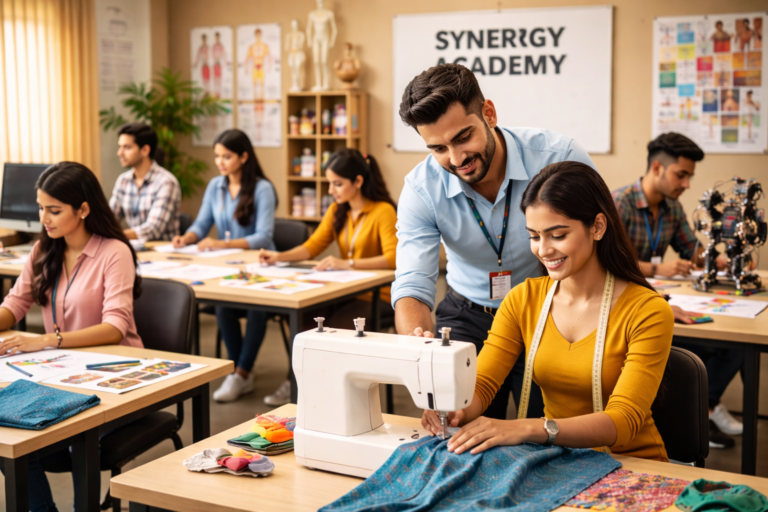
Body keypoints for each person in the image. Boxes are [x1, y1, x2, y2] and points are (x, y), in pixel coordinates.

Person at [422, 162, 674, 462]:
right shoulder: (523, 299)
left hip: (633, 466)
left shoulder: (647, 310)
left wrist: (528, 428)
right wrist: (454, 409)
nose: (543, 250)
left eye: (557, 235)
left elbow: (623, 420)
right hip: (560, 460)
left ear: (597, 227)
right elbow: (484, 384)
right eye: (534, 236)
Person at [393, 63, 596, 421]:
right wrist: (420, 348)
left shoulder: (560, 157)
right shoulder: (422, 189)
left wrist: (635, 302)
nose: (456, 160)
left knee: (545, 429)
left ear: (489, 113)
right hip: (468, 313)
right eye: (438, 148)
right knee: (457, 426)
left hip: (549, 310)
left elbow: (600, 245)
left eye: (462, 138)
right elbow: (412, 284)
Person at [0, 161, 143, 512]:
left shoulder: (114, 252)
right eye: (40, 208)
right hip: (59, 374)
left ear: (82, 209)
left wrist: (48, 339)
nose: (43, 218)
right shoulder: (44, 249)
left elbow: (115, 328)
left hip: (115, 376)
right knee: (10, 438)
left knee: (76, 437)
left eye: (53, 210)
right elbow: (15, 304)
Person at [613, 132, 742, 449]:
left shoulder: (672, 208)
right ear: (657, 168)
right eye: (681, 175)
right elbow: (611, 262)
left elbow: (693, 251)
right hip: (629, 302)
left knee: (735, 345)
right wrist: (658, 268)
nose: (686, 184)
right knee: (695, 347)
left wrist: (729, 262)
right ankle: (694, 418)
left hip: (664, 298)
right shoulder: (620, 203)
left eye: (689, 177)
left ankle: (705, 407)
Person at [258, 148, 397, 405]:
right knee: (303, 318)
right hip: (345, 290)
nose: (332, 190)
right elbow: (312, 246)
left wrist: (347, 263)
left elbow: (393, 259)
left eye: (337, 184)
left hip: (377, 295)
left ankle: (326, 393)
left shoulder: (383, 211)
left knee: (330, 330)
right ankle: (300, 382)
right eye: (329, 183)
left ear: (358, 181)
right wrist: (279, 257)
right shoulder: (337, 210)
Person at [172, 129, 276, 402]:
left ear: (243, 156)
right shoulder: (215, 186)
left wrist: (221, 244)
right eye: (217, 156)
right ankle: (238, 368)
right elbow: (202, 223)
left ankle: (241, 373)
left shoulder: (262, 188)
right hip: (227, 267)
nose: (220, 162)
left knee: (257, 308)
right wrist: (188, 237)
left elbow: (263, 236)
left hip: (260, 266)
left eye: (226, 156)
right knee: (222, 305)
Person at [109, 122, 182, 241]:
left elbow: (153, 229)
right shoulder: (123, 181)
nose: (120, 153)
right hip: (135, 250)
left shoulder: (166, 182)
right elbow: (109, 218)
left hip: (161, 254)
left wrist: (115, 234)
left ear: (145, 150)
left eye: (127, 147)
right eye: (120, 147)